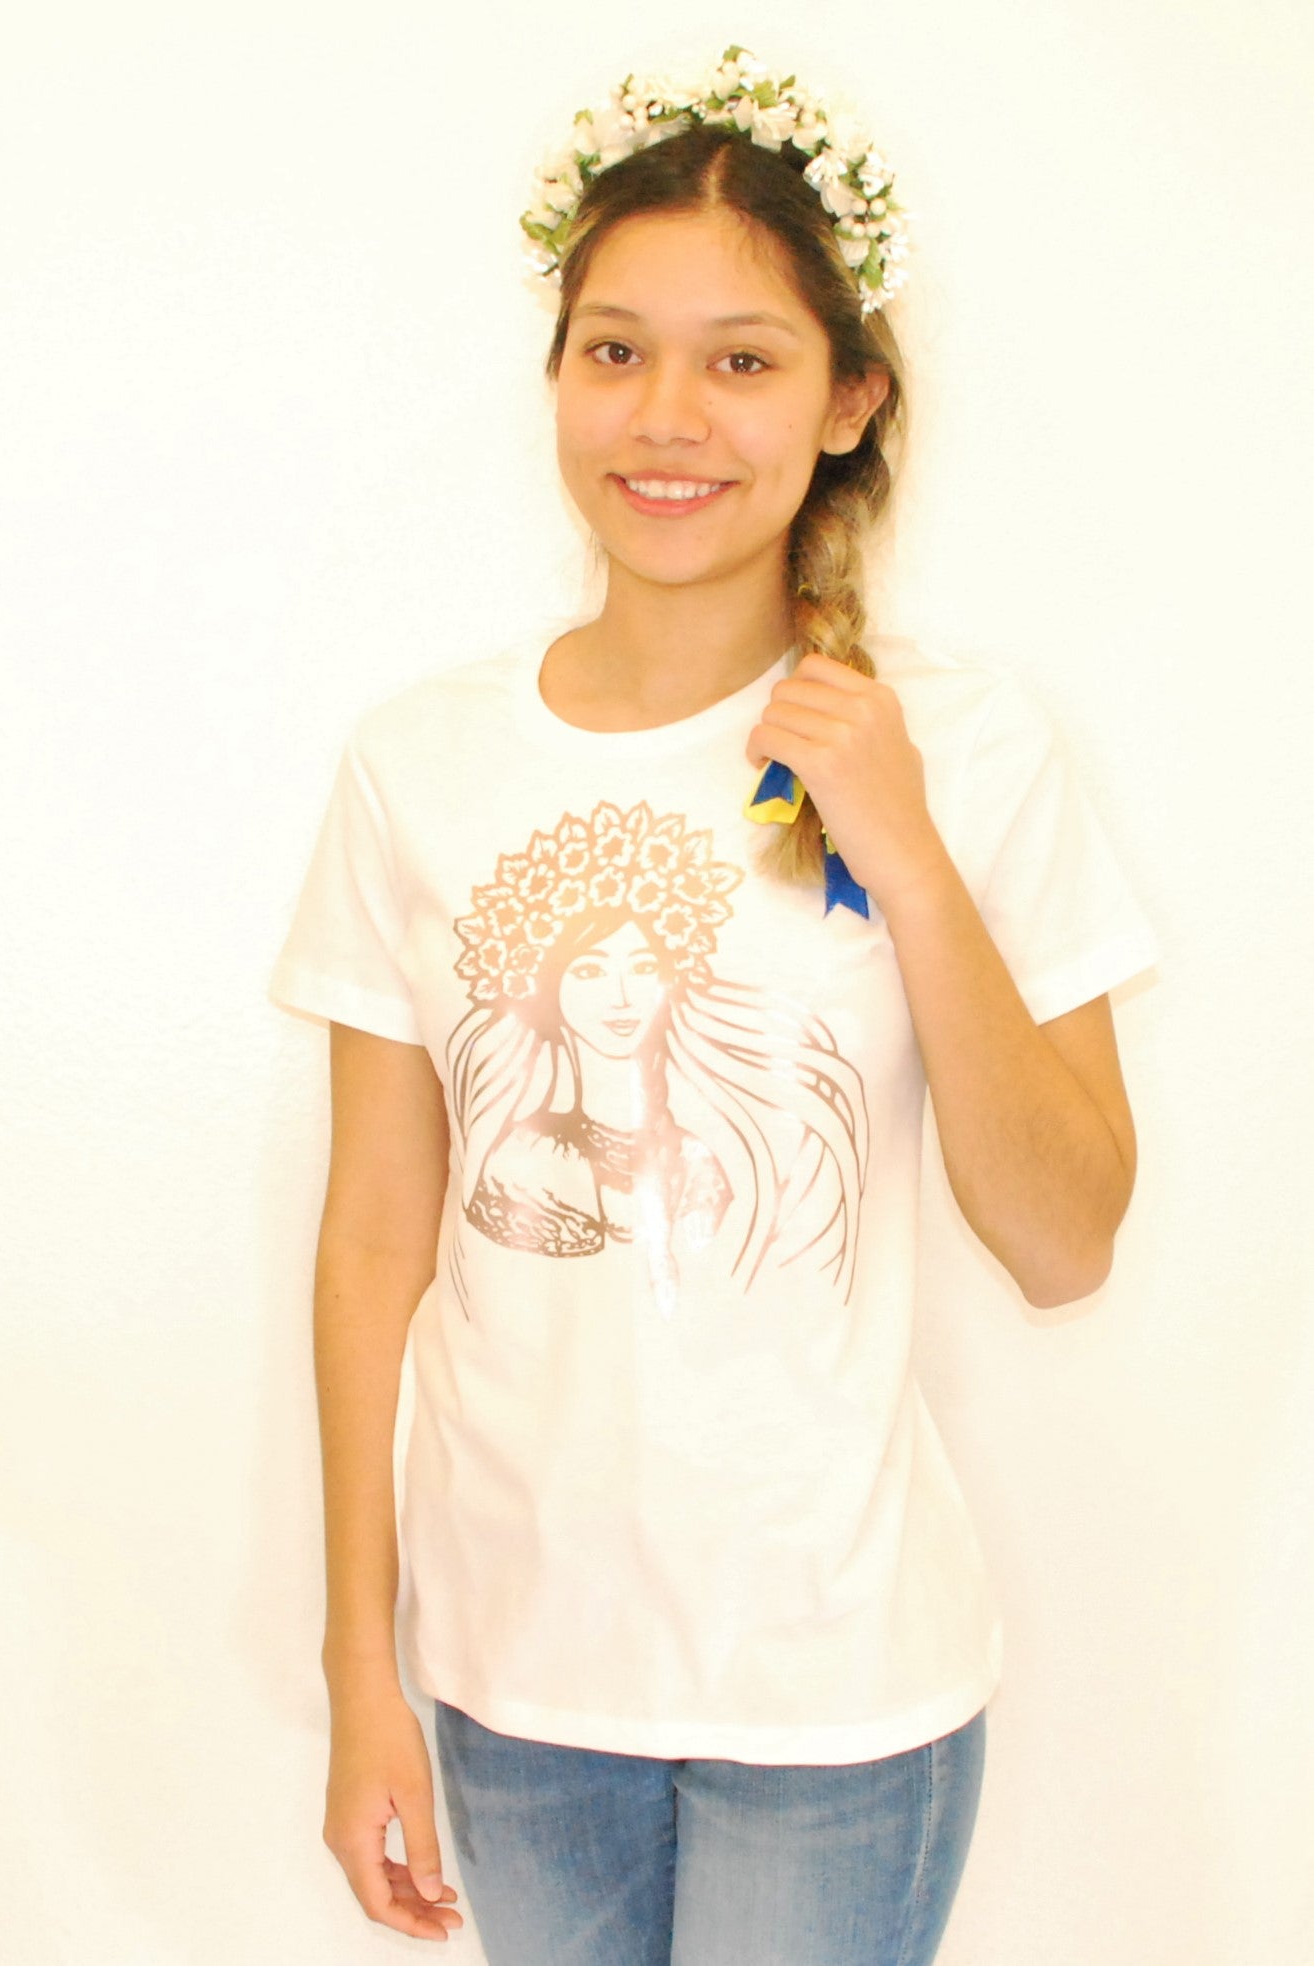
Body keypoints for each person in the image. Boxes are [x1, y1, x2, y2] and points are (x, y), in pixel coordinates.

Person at [270, 46, 1159, 1964]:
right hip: (510, 1679)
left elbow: (1065, 1238)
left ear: (846, 400)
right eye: (615, 351)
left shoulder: (965, 744)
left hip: (831, 1690)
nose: (667, 416)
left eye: (742, 359)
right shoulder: (416, 762)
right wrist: (361, 1668)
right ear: (557, 375)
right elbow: (369, 1245)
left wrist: (899, 845)